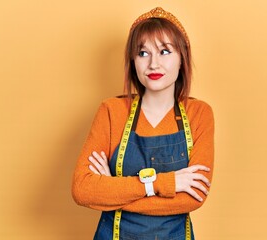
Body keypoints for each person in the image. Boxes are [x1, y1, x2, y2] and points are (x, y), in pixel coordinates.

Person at [72, 7, 214, 240]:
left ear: (182, 59)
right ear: (133, 61)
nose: (153, 64)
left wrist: (112, 192)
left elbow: (194, 196)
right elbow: (83, 190)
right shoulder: (111, 111)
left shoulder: (199, 114)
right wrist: (161, 184)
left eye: (165, 51)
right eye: (143, 53)